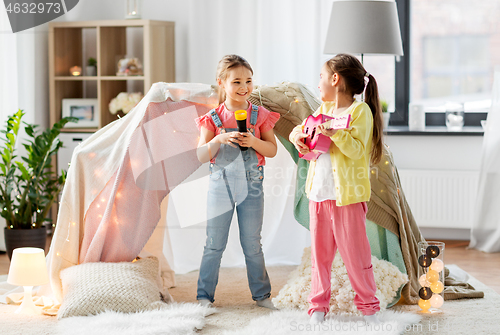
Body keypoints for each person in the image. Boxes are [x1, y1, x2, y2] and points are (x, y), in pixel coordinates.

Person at [289, 54, 384, 324]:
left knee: (356, 256)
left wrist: (334, 133)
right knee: (320, 256)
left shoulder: (359, 112)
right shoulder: (324, 109)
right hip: (319, 195)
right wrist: (299, 137)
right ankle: (318, 306)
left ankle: (368, 306)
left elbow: (356, 149)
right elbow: (303, 128)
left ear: (335, 79)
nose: (318, 82)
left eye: (321, 76)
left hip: (347, 199)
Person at [194, 55, 280, 309]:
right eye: (237, 82)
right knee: (214, 244)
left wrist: (253, 141)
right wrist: (218, 140)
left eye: (249, 81)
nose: (244, 87)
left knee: (252, 243)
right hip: (220, 187)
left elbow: (272, 150)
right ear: (221, 83)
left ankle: (262, 295)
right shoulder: (213, 118)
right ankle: (203, 296)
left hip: (252, 187)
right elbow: (200, 156)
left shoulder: (260, 114)